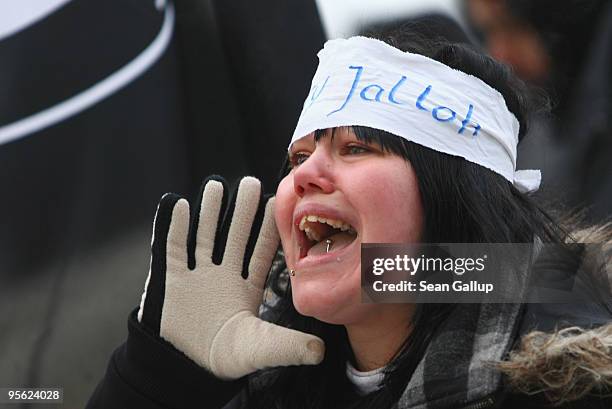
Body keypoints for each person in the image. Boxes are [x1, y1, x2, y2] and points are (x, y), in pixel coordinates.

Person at [86, 31, 612, 409]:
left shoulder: (573, 386)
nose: (305, 175)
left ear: (458, 194)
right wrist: (161, 381)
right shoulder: (263, 379)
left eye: (357, 147)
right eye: (297, 158)